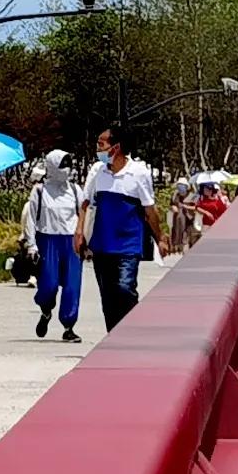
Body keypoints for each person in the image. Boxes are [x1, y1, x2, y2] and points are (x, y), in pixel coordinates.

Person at [82, 129, 158, 332]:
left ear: (115, 147)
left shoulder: (139, 172)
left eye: (101, 144)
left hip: (128, 245)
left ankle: (133, 327)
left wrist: (161, 238)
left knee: (125, 288)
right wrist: (79, 233)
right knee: (108, 297)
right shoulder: (98, 171)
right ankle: (114, 336)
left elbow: (150, 209)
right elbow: (85, 202)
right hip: (102, 244)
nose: (97, 149)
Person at [25, 150, 85, 340]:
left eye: (69, 164)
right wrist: (31, 245)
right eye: (62, 165)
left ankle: (69, 326)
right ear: (51, 166)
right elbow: (30, 220)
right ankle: (45, 310)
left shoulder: (75, 190)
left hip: (71, 241)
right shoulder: (40, 191)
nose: (66, 169)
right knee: (49, 284)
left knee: (72, 285)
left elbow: (84, 217)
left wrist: (86, 241)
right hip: (48, 240)